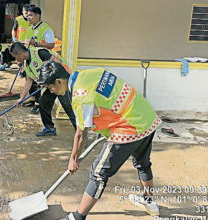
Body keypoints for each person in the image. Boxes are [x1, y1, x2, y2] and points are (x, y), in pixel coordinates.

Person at [37, 61, 162, 219]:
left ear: (58, 82)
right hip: (146, 117)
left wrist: (73, 159)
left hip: (129, 127)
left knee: (98, 173)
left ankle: (77, 217)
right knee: (143, 163)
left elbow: (81, 134)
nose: (52, 91)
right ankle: (148, 201)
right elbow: (106, 99)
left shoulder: (80, 96)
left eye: (50, 88)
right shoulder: (91, 73)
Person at [10, 42, 76, 136]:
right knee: (43, 102)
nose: (16, 60)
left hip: (60, 82)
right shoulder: (26, 64)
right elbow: (29, 81)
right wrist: (22, 98)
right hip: (50, 85)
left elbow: (57, 62)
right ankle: (49, 128)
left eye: (15, 57)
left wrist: (49, 77)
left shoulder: (39, 53)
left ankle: (80, 133)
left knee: (68, 106)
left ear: (19, 53)